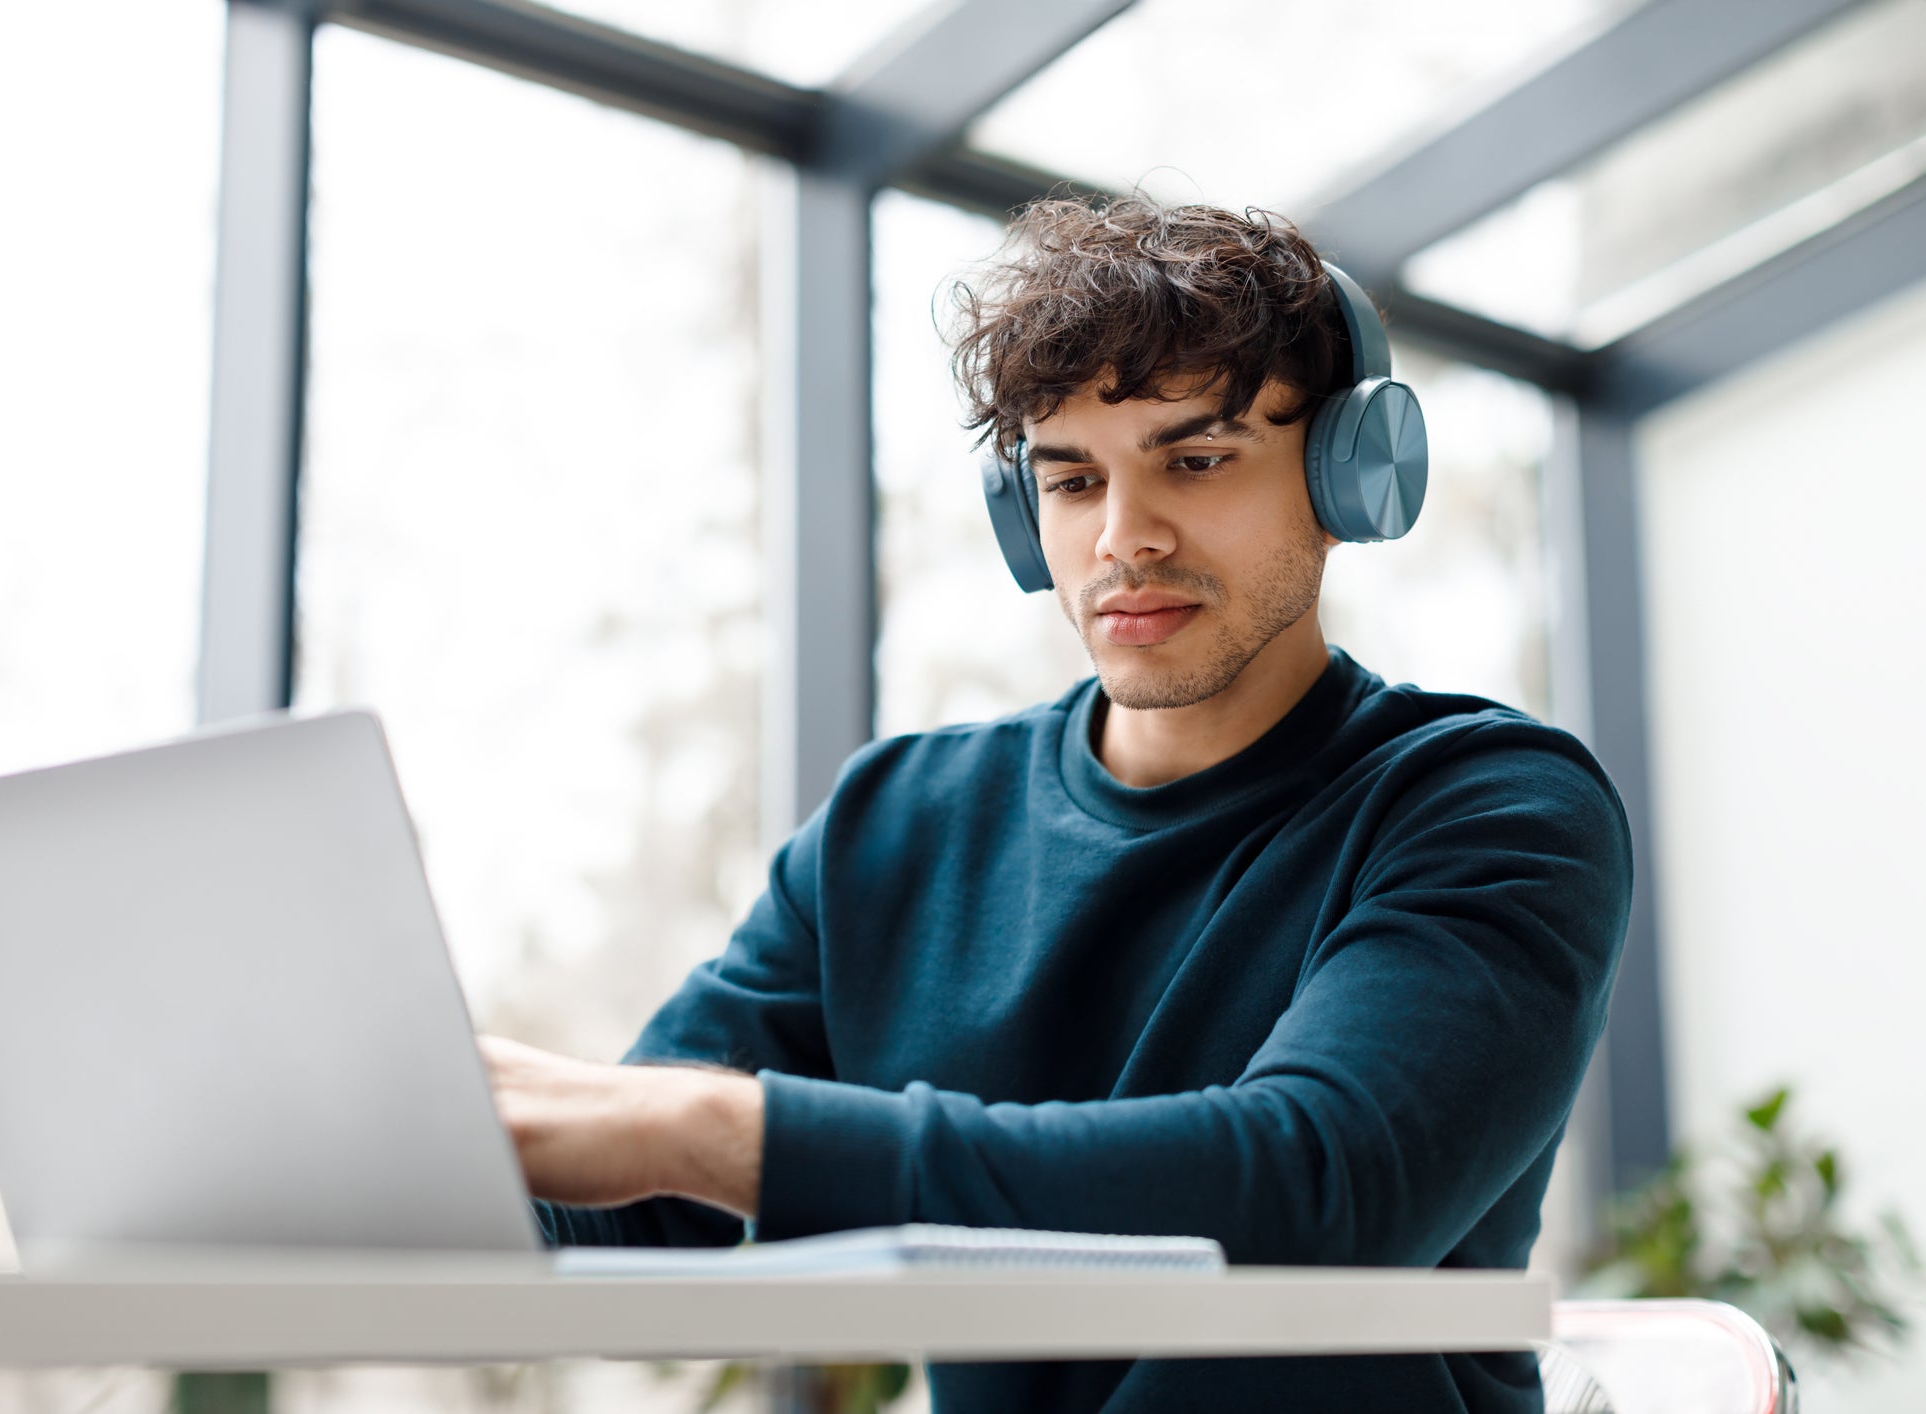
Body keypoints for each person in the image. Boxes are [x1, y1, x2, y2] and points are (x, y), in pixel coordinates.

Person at [478, 196, 1633, 1412]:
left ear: (1351, 479)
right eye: (1072, 479)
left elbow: (1312, 1191)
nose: (1122, 539)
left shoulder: (1490, 805)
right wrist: (391, 1144)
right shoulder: (897, 823)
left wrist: (711, 1131)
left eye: (1195, 460)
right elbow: (632, 1214)